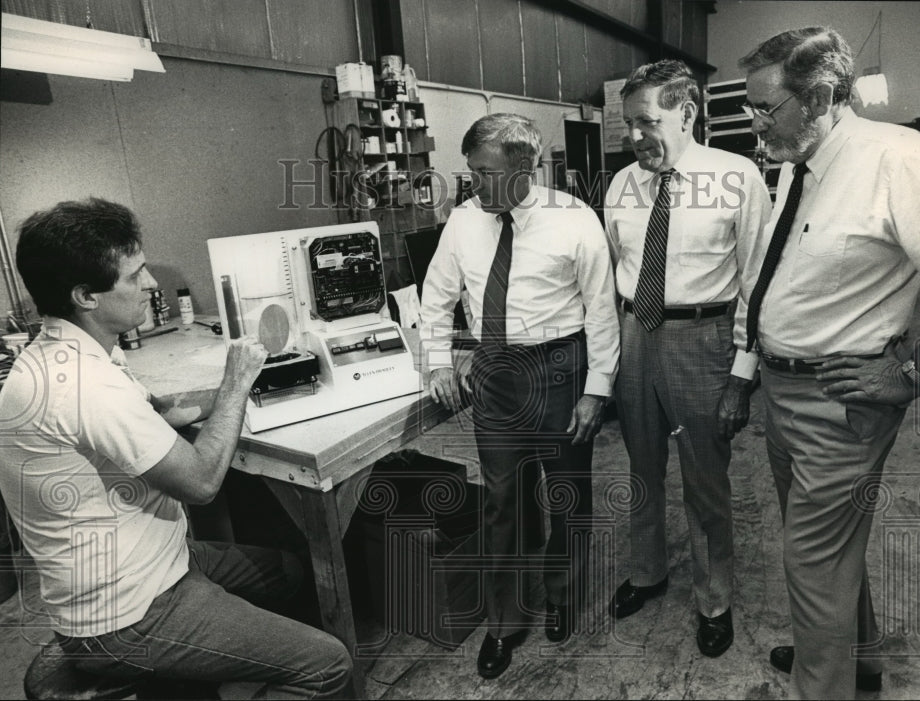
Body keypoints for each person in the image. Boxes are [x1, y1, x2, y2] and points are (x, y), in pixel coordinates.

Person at [719, 27, 920, 699]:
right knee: (829, 551)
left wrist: (909, 374)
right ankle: (856, 655)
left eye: (766, 107)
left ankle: (825, 686)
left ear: (819, 94)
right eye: (750, 109)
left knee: (811, 560)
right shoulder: (799, 164)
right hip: (785, 393)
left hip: (838, 400)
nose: (755, 124)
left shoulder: (892, 157)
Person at [0, 198, 354, 699]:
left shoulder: (70, 351)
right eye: (135, 274)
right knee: (329, 665)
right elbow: (202, 481)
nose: (150, 284)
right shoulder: (83, 385)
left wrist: (253, 381)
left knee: (289, 572)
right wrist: (233, 385)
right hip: (125, 613)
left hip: (156, 562)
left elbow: (160, 410)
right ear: (86, 295)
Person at [420, 113, 620, 679]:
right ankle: (504, 622)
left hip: (560, 368)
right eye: (470, 172)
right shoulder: (462, 221)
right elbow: (435, 299)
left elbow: (602, 311)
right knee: (502, 502)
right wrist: (437, 362)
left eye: (483, 173)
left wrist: (596, 391)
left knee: (566, 494)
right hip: (496, 374)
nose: (472, 184)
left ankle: (561, 593)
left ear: (524, 168)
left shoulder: (574, 220)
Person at [603, 59, 771, 658]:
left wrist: (741, 377)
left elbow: (757, 281)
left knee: (704, 479)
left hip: (703, 339)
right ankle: (648, 573)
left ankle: (714, 599)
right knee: (641, 469)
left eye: (646, 121)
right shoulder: (621, 184)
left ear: (687, 112)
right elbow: (612, 276)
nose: (633, 136)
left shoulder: (738, 177)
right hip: (634, 335)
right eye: (627, 124)